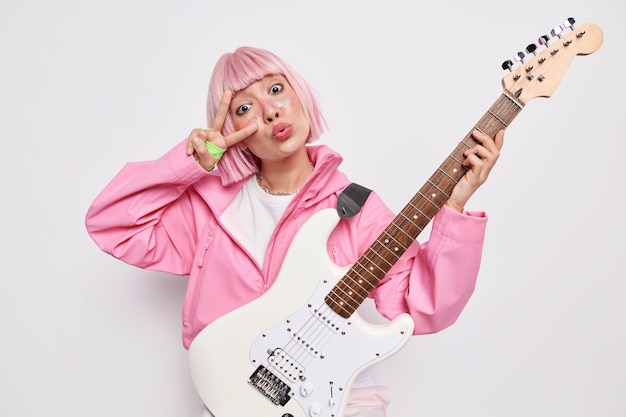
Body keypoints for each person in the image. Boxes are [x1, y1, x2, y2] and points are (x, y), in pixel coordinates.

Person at [85, 46, 504, 417]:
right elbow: (111, 223)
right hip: (233, 401)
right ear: (232, 133)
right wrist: (190, 163)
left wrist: (455, 207)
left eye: (275, 89)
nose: (268, 111)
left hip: (336, 402)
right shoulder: (208, 208)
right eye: (243, 108)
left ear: (300, 96)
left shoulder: (355, 207)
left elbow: (427, 306)